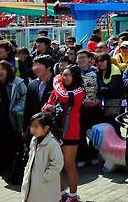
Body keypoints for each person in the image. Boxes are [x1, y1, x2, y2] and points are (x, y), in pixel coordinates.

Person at [43, 65, 86, 202]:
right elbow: (48, 104)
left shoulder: (79, 89)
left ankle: (73, 195)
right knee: (56, 165)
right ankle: (61, 193)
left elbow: (64, 96)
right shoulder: (59, 88)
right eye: (62, 74)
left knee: (68, 164)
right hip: (55, 130)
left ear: (75, 76)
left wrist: (56, 80)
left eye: (67, 75)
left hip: (71, 132)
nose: (64, 77)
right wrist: (49, 108)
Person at [0, 60, 26, 183]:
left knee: (12, 147)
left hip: (12, 120)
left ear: (8, 71)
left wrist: (17, 107)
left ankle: (13, 172)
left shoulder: (18, 82)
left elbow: (25, 96)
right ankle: (2, 169)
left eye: (2, 69)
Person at [21, 113, 64, 202]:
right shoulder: (34, 140)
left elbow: (57, 164)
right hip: (32, 182)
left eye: (36, 126)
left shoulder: (52, 143)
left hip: (45, 186)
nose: (32, 129)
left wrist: (44, 177)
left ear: (46, 128)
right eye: (31, 126)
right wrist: (27, 171)